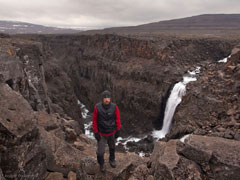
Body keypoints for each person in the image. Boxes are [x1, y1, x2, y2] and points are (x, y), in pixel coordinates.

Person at [92, 90, 121, 172]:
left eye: (108, 97)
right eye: (105, 97)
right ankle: (101, 164)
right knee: (100, 152)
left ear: (110, 98)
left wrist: (118, 130)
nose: (106, 99)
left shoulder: (114, 107)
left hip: (111, 132)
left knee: (112, 147)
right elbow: (94, 120)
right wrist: (96, 132)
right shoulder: (97, 107)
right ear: (102, 99)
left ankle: (112, 160)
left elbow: (117, 119)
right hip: (101, 133)